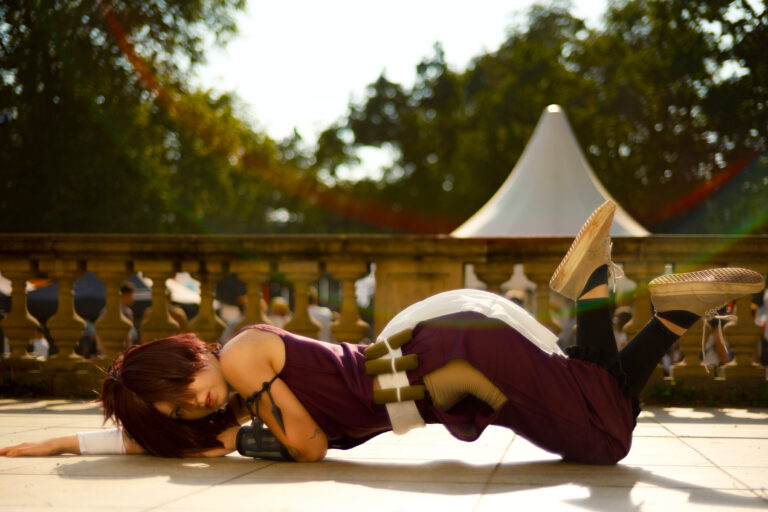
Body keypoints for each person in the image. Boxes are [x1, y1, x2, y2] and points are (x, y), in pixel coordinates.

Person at [2, 201, 764, 465]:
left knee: (606, 440)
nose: (193, 404)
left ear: (191, 353)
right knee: (598, 398)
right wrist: (56, 444)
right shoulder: (234, 392)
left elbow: (305, 445)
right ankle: (639, 303)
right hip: (447, 363)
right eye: (176, 412)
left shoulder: (240, 359)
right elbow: (160, 439)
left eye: (182, 389)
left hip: (457, 362)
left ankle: (632, 302)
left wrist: (239, 437)